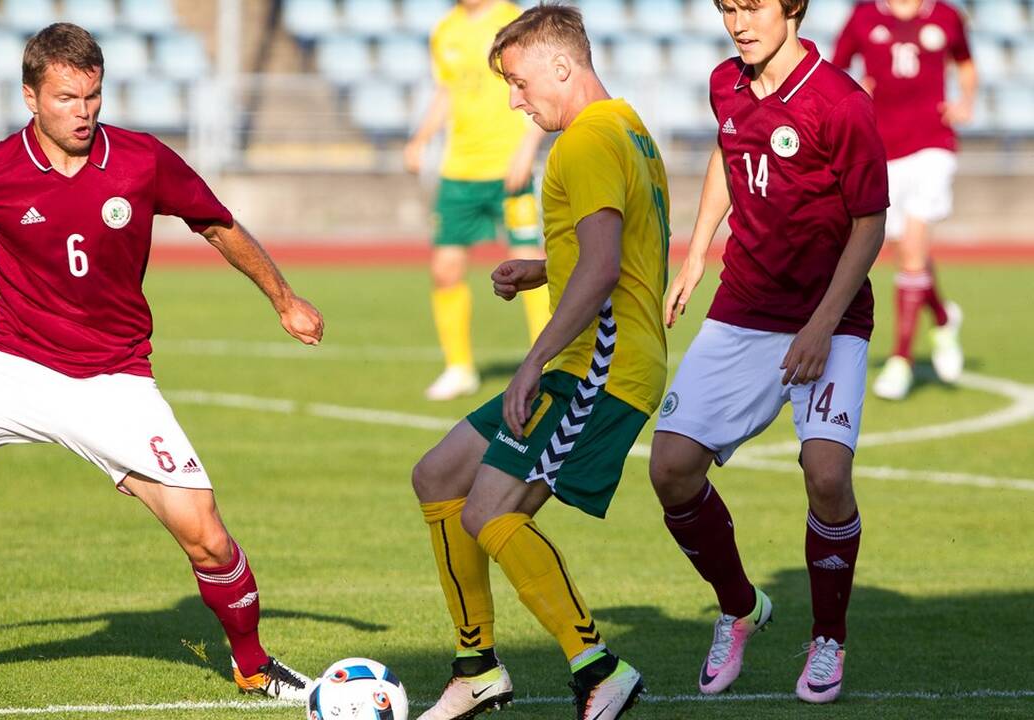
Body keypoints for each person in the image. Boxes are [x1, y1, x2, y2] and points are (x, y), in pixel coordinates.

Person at [0, 23, 322, 702]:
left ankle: (252, 665)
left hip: (115, 383)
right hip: (14, 366)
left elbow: (216, 223)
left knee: (208, 538)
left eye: (93, 96)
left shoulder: (141, 160)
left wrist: (284, 298)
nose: (84, 111)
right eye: (67, 97)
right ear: (31, 97)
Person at [411, 5, 669, 719]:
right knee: (437, 475)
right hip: (595, 356)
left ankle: (598, 667)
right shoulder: (626, 126)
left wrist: (530, 362)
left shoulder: (584, 143)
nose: (514, 101)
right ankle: (476, 669)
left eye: (520, 83)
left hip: (597, 368)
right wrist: (541, 267)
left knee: (488, 511)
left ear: (562, 65)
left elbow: (604, 265)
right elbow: (609, 251)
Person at [648, 0, 888, 705]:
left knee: (824, 475)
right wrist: (694, 256)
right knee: (670, 469)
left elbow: (869, 224)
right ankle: (738, 607)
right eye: (727, 7)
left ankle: (828, 638)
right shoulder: (725, 81)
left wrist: (821, 324)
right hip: (743, 310)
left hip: (828, 317)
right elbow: (729, 157)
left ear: (792, 7)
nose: (737, 22)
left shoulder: (840, 102)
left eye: (751, 6)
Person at [404, 0, 550, 401]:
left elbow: (541, 88)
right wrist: (421, 138)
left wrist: (527, 148)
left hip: (510, 170)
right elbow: (446, 92)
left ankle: (548, 363)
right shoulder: (444, 29)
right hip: (458, 173)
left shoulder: (515, 20)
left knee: (533, 266)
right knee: (445, 269)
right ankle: (459, 368)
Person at [833, 0, 976, 400]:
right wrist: (854, 91)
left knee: (913, 250)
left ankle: (901, 360)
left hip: (934, 143)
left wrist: (965, 102)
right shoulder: (863, 16)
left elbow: (965, 62)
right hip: (883, 148)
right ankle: (944, 318)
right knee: (907, 252)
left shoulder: (946, 16)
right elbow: (837, 68)